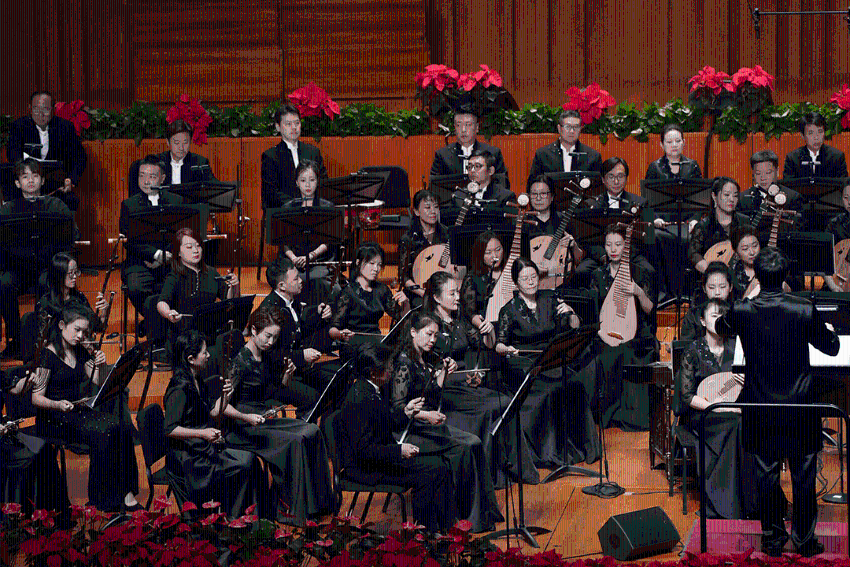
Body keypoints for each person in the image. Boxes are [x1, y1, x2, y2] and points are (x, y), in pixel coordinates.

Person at [717, 247, 839, 557]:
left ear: (757, 276)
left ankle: (772, 541)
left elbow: (720, 328)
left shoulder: (743, 309)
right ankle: (805, 541)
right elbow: (832, 348)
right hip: (800, 406)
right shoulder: (803, 308)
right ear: (785, 276)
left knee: (767, 475)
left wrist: (745, 301)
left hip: (761, 406)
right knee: (803, 475)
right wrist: (828, 329)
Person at [425, 270, 539, 487]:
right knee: (489, 408)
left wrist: (488, 331)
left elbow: (485, 345)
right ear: (437, 298)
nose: (457, 297)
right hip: (444, 387)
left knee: (506, 402)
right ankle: (488, 477)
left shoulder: (459, 319)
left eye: (457, 292)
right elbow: (426, 363)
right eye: (452, 294)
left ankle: (516, 469)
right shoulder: (429, 325)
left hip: (464, 382)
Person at [391, 311, 502, 533]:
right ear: (413, 332)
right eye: (428, 334)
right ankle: (464, 517)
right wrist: (427, 416)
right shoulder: (404, 363)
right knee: (466, 446)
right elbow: (397, 408)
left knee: (474, 441)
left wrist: (443, 371)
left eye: (435, 335)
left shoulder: (426, 357)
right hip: (408, 430)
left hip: (426, 424)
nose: (433, 340)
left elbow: (433, 395)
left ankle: (480, 514)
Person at [223, 306, 335, 523]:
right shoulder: (239, 361)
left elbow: (270, 393)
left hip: (262, 418)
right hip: (243, 427)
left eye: (274, 337)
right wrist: (247, 418)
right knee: (295, 440)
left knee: (312, 430)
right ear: (253, 330)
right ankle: (289, 511)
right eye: (267, 336)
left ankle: (318, 505)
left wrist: (286, 377)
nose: (271, 342)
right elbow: (222, 406)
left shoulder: (264, 356)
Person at [30, 305, 140, 512]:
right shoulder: (47, 355)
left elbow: (98, 381)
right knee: (105, 431)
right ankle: (102, 499)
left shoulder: (79, 350)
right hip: (53, 418)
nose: (81, 336)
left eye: (84, 331)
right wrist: (57, 404)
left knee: (121, 427)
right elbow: (36, 398)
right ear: (62, 325)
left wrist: (101, 364)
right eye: (77, 330)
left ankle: (126, 493)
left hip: (76, 412)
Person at [675, 299, 779, 519]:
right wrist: (718, 407)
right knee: (737, 424)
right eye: (713, 316)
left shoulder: (737, 348)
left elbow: (758, 383)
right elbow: (686, 396)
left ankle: (756, 502)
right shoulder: (693, 351)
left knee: (749, 424)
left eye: (723, 316)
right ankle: (725, 504)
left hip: (735, 410)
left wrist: (748, 380)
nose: (718, 320)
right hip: (702, 414)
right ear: (703, 321)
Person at [339, 342, 457, 534]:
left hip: (378, 458)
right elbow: (363, 450)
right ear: (373, 373)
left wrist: (407, 412)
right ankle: (425, 534)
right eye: (388, 367)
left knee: (440, 465)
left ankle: (444, 529)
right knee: (430, 472)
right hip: (365, 468)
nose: (392, 370)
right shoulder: (360, 398)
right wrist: (399, 450)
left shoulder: (370, 388)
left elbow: (383, 423)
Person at [495, 257, 599, 468]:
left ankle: (583, 447)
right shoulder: (508, 310)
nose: (531, 282)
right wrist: (507, 349)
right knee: (551, 391)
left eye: (533, 277)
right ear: (516, 283)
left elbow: (574, 326)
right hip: (526, 361)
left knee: (574, 384)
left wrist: (571, 312)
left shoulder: (551, 298)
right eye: (525, 278)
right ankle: (553, 453)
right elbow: (499, 344)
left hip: (551, 356)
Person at [164, 329, 264, 519]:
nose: (209, 355)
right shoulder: (179, 388)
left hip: (201, 447)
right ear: (191, 359)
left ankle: (248, 519)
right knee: (244, 464)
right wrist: (202, 434)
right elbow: (169, 429)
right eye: (204, 352)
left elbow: (213, 410)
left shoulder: (196, 379)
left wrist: (226, 396)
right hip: (188, 456)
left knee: (250, 460)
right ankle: (234, 519)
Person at [1, 158, 78, 359]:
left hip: (47, 266)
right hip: (18, 267)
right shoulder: (7, 209)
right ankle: (15, 340)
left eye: (35, 176)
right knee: (4, 283)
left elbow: (71, 236)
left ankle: (44, 339)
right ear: (17, 183)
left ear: (42, 180)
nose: (30, 181)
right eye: (25, 177)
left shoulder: (56, 205)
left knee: (47, 282)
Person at [589, 224, 658, 429]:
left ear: (626, 247)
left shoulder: (640, 272)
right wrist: (604, 333)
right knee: (602, 354)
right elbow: (594, 312)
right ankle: (607, 416)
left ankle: (631, 417)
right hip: (606, 330)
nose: (613, 249)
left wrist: (638, 292)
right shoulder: (597, 275)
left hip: (637, 333)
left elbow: (649, 309)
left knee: (627, 353)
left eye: (618, 244)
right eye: (609, 244)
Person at [258, 258, 333, 416]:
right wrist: (302, 355)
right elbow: (269, 355)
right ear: (282, 286)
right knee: (312, 398)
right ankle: (302, 428)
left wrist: (319, 315)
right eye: (296, 279)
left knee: (333, 381)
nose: (301, 281)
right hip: (276, 377)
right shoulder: (269, 310)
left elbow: (298, 331)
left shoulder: (291, 301)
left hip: (295, 368)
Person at [120, 155, 184, 328]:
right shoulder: (129, 205)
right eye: (141, 176)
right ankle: (155, 320)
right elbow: (129, 240)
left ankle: (160, 322)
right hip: (140, 261)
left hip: (170, 259)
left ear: (162, 178)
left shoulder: (176, 201)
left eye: (152, 176)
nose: (146, 181)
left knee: (185, 282)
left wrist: (166, 255)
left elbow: (180, 234)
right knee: (135, 287)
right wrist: (155, 255)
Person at [573, 157, 655, 290]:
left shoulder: (641, 202)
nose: (616, 181)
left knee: (649, 271)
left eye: (620, 176)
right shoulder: (589, 204)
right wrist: (604, 256)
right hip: (600, 255)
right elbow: (586, 241)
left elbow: (646, 238)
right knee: (580, 272)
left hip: (630, 255)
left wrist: (624, 255)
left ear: (626, 178)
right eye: (611, 176)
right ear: (603, 179)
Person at [156, 227, 239, 357]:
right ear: (178, 252)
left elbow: (228, 301)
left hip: (208, 334)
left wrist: (234, 286)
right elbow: (162, 302)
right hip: (184, 338)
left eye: (198, 246)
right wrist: (168, 313)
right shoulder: (174, 275)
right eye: (189, 247)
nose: (196, 250)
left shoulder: (211, 272)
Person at [1, 368, 70, 519]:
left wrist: (27, 381)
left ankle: (49, 516)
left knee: (43, 448)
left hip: (4, 435)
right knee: (27, 457)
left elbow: (14, 388)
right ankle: (17, 518)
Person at [268, 160, 336, 304]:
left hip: (318, 261)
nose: (308, 185)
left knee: (320, 281)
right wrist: (294, 258)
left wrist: (311, 256)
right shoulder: (287, 208)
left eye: (312, 180)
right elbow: (283, 242)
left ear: (317, 181)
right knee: (286, 278)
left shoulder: (327, 207)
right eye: (303, 180)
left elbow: (329, 242)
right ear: (297, 183)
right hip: (294, 261)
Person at [6, 91, 87, 211]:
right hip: (27, 183)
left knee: (70, 201)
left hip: (54, 184)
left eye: (45, 109)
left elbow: (79, 157)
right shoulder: (19, 126)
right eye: (36, 109)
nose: (41, 114)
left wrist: (71, 180)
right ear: (29, 109)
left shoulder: (65, 127)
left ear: (53, 109)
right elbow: (13, 155)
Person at [329, 243, 409, 360]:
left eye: (379, 265)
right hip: (354, 345)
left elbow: (400, 317)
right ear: (358, 262)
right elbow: (332, 330)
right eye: (371, 263)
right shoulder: (348, 292)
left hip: (376, 341)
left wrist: (405, 302)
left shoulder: (382, 289)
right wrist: (341, 334)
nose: (376, 269)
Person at [261, 104, 327, 209]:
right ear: (278, 127)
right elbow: (270, 193)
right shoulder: (270, 156)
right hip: (284, 213)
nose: (294, 127)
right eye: (288, 124)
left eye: (297, 123)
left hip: (313, 211)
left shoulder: (313, 152)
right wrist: (298, 205)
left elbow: (323, 184)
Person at [397, 188, 450, 304]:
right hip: (419, 292)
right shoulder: (408, 239)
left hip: (445, 290)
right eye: (427, 207)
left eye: (436, 207)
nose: (433, 211)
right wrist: (423, 293)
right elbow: (403, 277)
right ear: (416, 211)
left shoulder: (447, 234)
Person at [526, 176, 583, 283]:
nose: (538, 198)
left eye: (543, 194)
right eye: (534, 194)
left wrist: (573, 245)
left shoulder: (564, 220)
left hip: (561, 279)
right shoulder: (524, 222)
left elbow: (579, 260)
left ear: (552, 197)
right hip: (530, 279)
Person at [526, 110, 602, 190]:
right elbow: (532, 185)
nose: (572, 131)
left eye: (576, 127)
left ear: (580, 129)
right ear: (559, 128)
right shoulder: (543, 154)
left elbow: (598, 188)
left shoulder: (593, 156)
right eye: (567, 127)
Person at [429, 109, 508, 186]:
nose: (463, 130)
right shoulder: (442, 155)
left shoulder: (493, 153)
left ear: (477, 128)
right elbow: (434, 186)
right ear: (455, 128)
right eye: (459, 125)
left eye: (468, 125)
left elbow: (503, 184)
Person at [688, 176, 749, 273]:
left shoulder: (744, 221)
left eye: (735, 195)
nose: (731, 199)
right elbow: (694, 254)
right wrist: (712, 272)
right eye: (727, 195)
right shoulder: (704, 226)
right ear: (714, 196)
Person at [739, 151, 804, 234]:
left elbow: (798, 229)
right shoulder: (743, 198)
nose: (763, 178)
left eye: (768, 172)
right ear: (753, 174)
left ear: (777, 171)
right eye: (758, 173)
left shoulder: (793, 197)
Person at [460, 231, 505, 337]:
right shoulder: (472, 278)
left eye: (498, 250)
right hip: (486, 329)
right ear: (480, 254)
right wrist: (484, 326)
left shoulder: (512, 271)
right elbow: (469, 312)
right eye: (488, 252)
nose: (495, 256)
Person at [449, 150, 516, 221]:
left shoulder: (505, 197)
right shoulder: (458, 196)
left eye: (477, 166)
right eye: (469, 167)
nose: (472, 170)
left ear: (490, 171)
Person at [783, 112, 847, 180]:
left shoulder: (837, 157)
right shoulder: (792, 158)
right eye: (811, 133)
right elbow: (788, 184)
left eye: (820, 132)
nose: (816, 137)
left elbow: (843, 183)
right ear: (802, 136)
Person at [679, 261, 733, 342]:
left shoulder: (738, 312)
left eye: (722, 287)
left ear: (730, 287)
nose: (717, 292)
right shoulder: (694, 315)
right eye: (711, 287)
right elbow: (686, 344)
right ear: (704, 288)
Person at [824, 180, 850, 292]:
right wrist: (833, 286)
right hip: (837, 281)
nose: (849, 202)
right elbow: (824, 258)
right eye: (846, 198)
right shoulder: (835, 224)